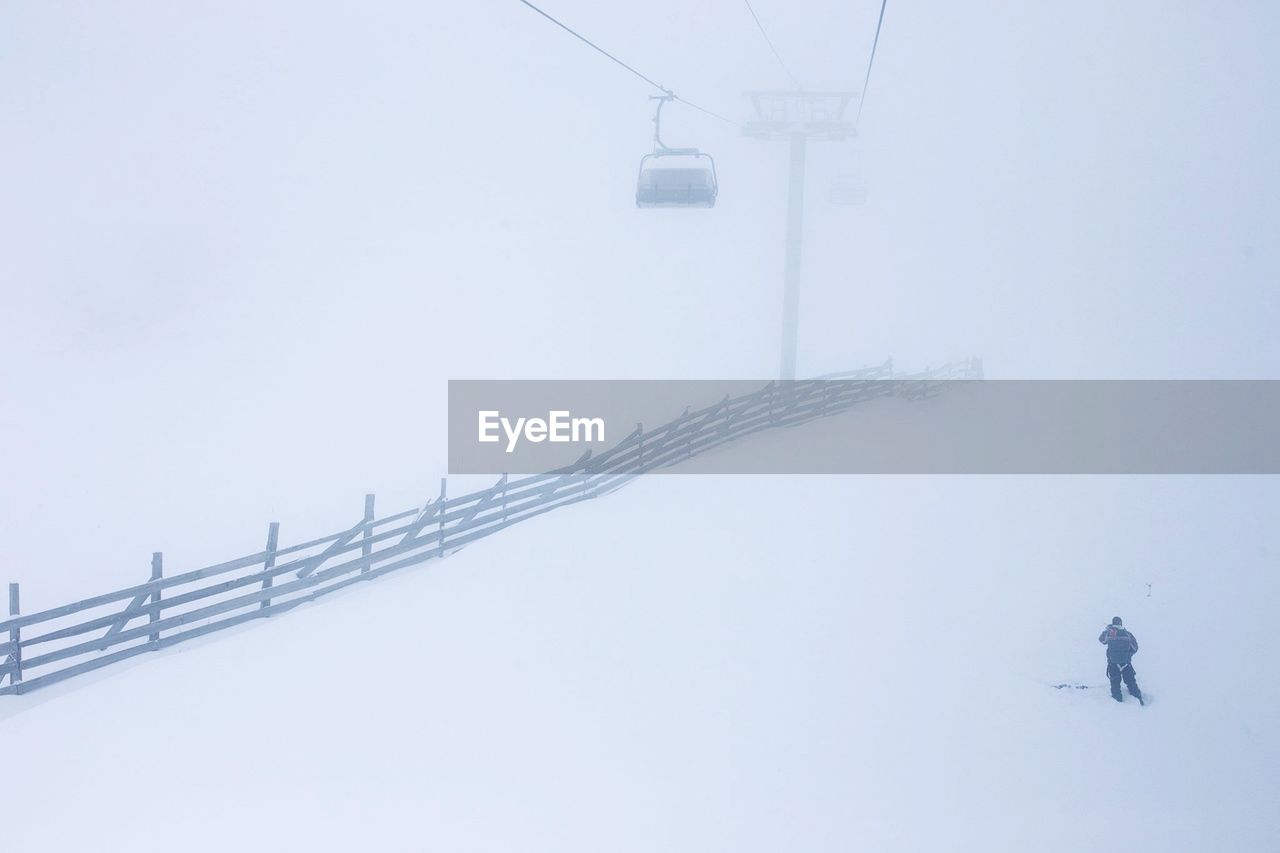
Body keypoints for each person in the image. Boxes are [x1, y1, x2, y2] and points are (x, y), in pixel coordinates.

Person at [1098, 616, 1143, 704]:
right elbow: (1135, 648)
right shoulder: (1127, 634)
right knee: (1131, 682)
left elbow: (1101, 640)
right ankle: (1139, 699)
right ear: (1121, 623)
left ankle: (1117, 703)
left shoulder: (1109, 633)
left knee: (1115, 684)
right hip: (1126, 664)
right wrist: (1128, 656)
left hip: (1113, 664)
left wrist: (1107, 630)